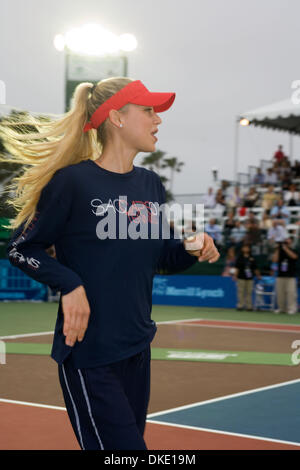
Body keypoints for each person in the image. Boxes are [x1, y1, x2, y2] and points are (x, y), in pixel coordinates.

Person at [1, 77, 220, 450]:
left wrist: (190, 246)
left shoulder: (151, 184)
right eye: (148, 110)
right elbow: (22, 247)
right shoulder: (72, 182)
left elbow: (161, 257)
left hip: (138, 349)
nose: (158, 120)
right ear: (116, 117)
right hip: (90, 355)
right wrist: (69, 284)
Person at [272, 238, 298, 314]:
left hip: (290, 276)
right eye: (285, 242)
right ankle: (281, 308)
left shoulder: (294, 250)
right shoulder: (279, 251)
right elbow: (274, 260)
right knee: (280, 293)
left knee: (291, 293)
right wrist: (277, 249)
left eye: (287, 241)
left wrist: (286, 249)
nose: (286, 243)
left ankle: (292, 308)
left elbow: (294, 257)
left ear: (291, 242)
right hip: (280, 275)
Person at [233, 244, 261, 311]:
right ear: (242, 249)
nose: (246, 249)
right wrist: (235, 275)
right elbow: (237, 268)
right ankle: (240, 305)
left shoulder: (252, 258)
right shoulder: (240, 258)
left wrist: (258, 275)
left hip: (250, 278)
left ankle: (249, 306)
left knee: (249, 292)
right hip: (241, 277)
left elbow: (255, 268)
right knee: (241, 292)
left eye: (247, 248)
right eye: (244, 247)